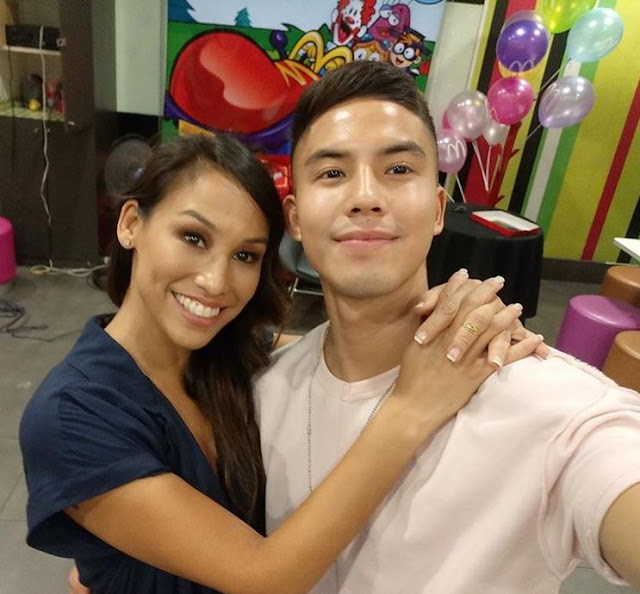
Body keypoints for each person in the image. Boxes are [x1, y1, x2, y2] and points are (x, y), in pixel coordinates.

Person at [21, 133, 538, 594]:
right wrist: (410, 410)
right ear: (132, 224)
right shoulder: (70, 416)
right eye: (193, 238)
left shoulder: (230, 353)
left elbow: (355, 347)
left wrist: (462, 318)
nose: (216, 282)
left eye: (245, 256)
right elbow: (264, 576)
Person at [256, 60, 640, 593]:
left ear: (438, 209)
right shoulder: (266, 390)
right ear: (296, 219)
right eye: (333, 173)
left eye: (397, 169)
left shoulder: (543, 398)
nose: (365, 196)